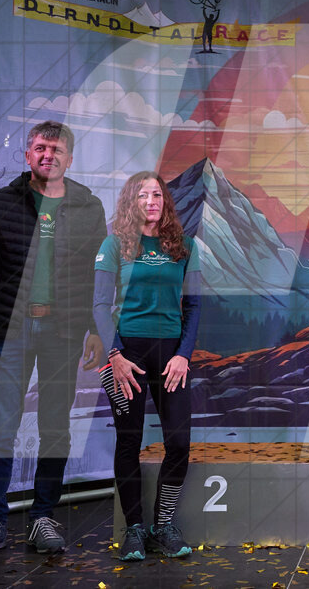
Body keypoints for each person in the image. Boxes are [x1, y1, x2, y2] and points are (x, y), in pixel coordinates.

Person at [0, 121, 106, 560]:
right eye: (41, 148)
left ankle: (43, 515)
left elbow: (100, 277)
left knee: (56, 427)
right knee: (1, 428)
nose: (49, 155)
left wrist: (98, 330)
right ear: (28, 156)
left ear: (70, 158)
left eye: (57, 149)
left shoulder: (89, 206)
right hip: (9, 329)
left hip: (64, 331)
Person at [93, 172, 201, 561]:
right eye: (143, 194)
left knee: (179, 443)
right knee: (128, 441)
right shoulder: (114, 244)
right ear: (131, 201)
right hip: (127, 357)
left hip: (171, 357)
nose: (151, 200)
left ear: (165, 201)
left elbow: (195, 306)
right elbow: (99, 306)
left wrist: (183, 355)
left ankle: (163, 526)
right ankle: (135, 529)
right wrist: (115, 356)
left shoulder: (185, 247)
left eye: (157, 194)